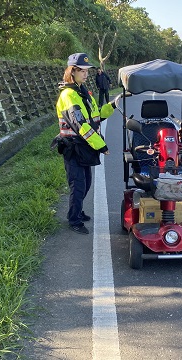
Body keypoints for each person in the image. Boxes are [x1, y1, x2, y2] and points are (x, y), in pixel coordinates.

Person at [54, 53, 120, 234]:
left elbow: (96, 116)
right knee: (78, 184)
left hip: (84, 147)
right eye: (81, 71)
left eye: (86, 71)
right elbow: (80, 125)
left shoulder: (83, 93)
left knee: (87, 182)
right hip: (73, 146)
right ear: (72, 71)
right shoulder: (68, 95)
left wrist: (112, 105)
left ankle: (78, 212)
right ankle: (74, 220)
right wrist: (101, 145)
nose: (86, 74)